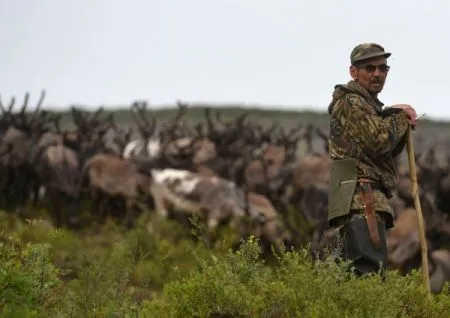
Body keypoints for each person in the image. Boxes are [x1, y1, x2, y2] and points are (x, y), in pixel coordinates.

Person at [327, 43, 417, 277]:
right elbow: (378, 140)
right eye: (369, 68)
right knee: (367, 273)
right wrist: (398, 118)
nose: (377, 73)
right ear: (353, 72)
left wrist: (392, 117)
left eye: (382, 68)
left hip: (362, 201)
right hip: (362, 199)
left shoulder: (367, 107)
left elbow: (381, 152)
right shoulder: (351, 102)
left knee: (354, 274)